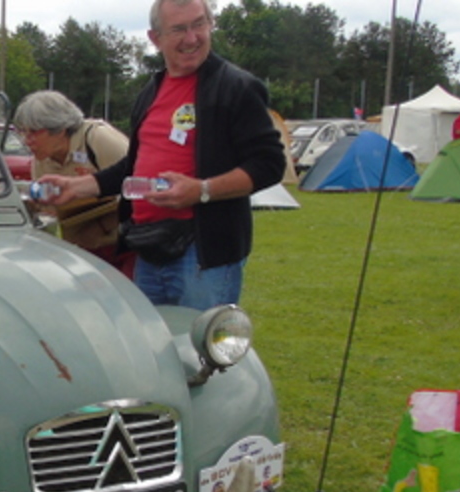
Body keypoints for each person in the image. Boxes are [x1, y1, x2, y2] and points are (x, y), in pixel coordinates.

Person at [38, 0, 286, 310]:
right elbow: (134, 166)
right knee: (151, 339)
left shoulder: (237, 87)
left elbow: (269, 164)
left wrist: (201, 190)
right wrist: (75, 187)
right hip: (148, 248)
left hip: (203, 255)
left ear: (211, 24)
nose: (192, 38)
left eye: (199, 24)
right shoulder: (151, 92)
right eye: (179, 29)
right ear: (155, 38)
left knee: (198, 341)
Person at [13, 90, 134, 277]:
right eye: (23, 132)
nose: (26, 141)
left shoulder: (98, 139)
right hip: (83, 250)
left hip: (123, 247)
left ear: (60, 129)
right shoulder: (42, 159)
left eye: (34, 133)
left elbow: (137, 178)